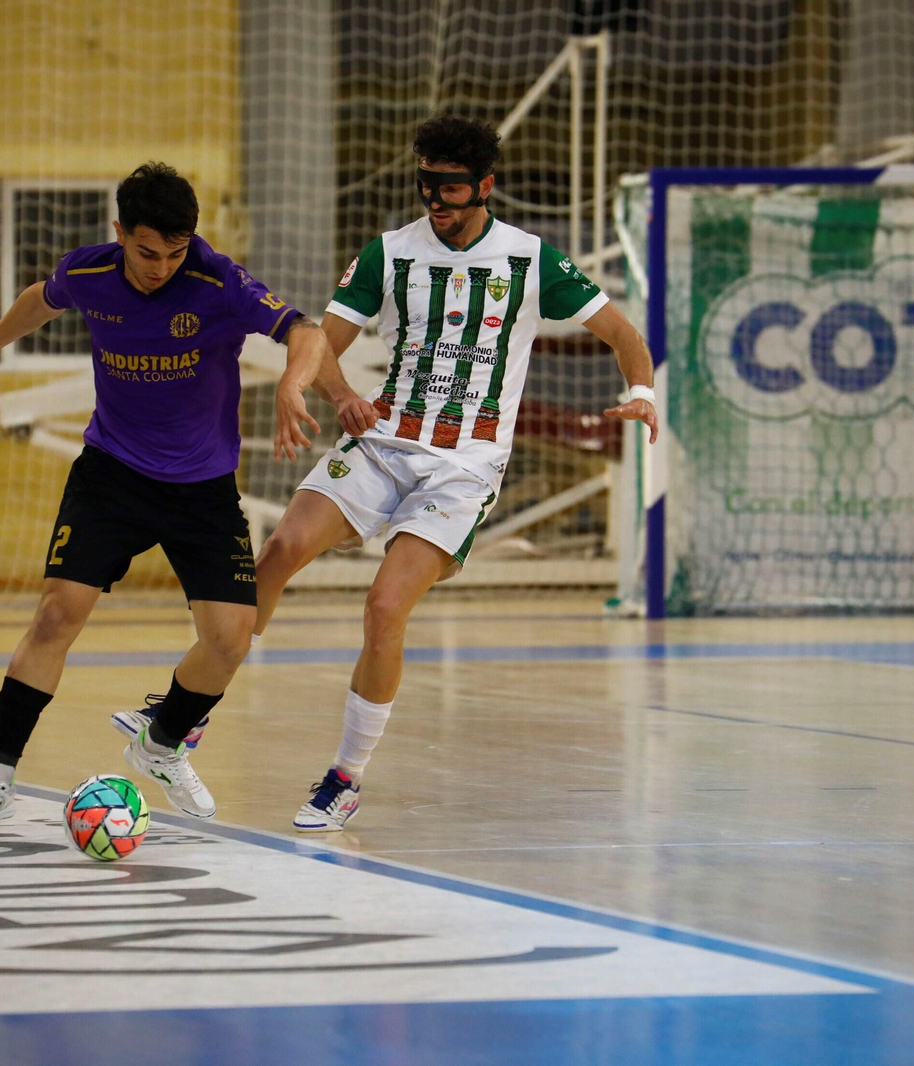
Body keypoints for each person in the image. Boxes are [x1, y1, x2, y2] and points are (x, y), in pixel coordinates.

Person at [248, 115, 658, 830]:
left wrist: (642, 393)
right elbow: (321, 343)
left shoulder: (530, 261)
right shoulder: (388, 254)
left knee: (383, 607)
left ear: (485, 187)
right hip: (382, 442)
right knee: (278, 553)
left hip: (463, 468)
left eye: (452, 188)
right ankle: (188, 716)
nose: (436, 200)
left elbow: (624, 336)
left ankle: (344, 777)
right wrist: (335, 392)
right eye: (426, 185)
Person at [0, 162, 326, 824]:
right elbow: (41, 296)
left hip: (202, 486)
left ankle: (162, 744)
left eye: (175, 253)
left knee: (232, 637)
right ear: (120, 232)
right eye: (148, 252)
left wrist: (293, 382)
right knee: (58, 614)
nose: (161, 267)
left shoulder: (218, 281)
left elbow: (305, 330)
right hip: (112, 474)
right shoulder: (88, 272)